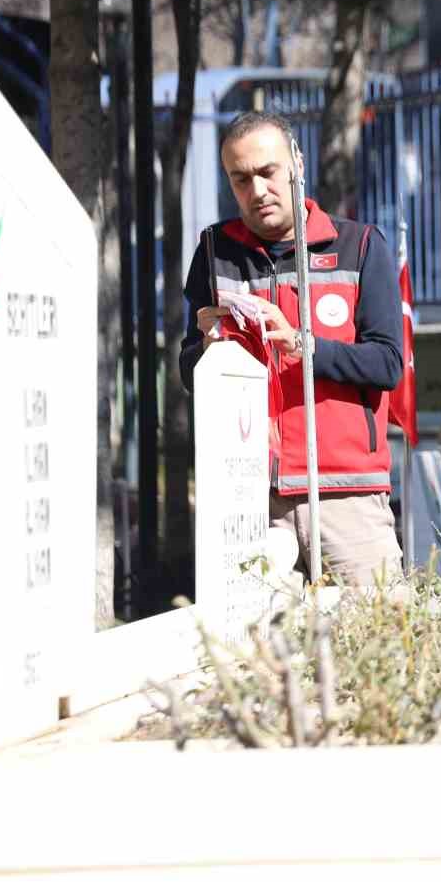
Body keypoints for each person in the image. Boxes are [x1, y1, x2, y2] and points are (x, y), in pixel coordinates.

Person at [179, 110, 405, 586]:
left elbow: (387, 363)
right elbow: (187, 374)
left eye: (267, 172)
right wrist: (205, 347)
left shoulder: (360, 246)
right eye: (240, 179)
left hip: (346, 495)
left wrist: (305, 345)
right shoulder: (213, 251)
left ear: (296, 165)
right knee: (256, 657)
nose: (257, 191)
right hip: (251, 497)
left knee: (377, 645)